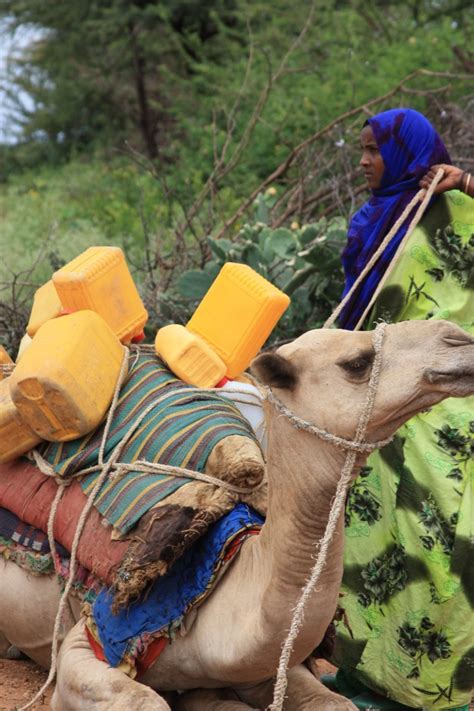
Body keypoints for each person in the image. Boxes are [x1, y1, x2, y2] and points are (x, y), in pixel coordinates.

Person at [327, 108, 473, 711]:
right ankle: (367, 674)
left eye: (373, 150)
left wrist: (466, 183)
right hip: (374, 400)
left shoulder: (457, 212)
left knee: (428, 540)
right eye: (360, 149)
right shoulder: (379, 218)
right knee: (361, 537)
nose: (363, 162)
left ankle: (433, 687)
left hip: (444, 403)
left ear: (407, 152)